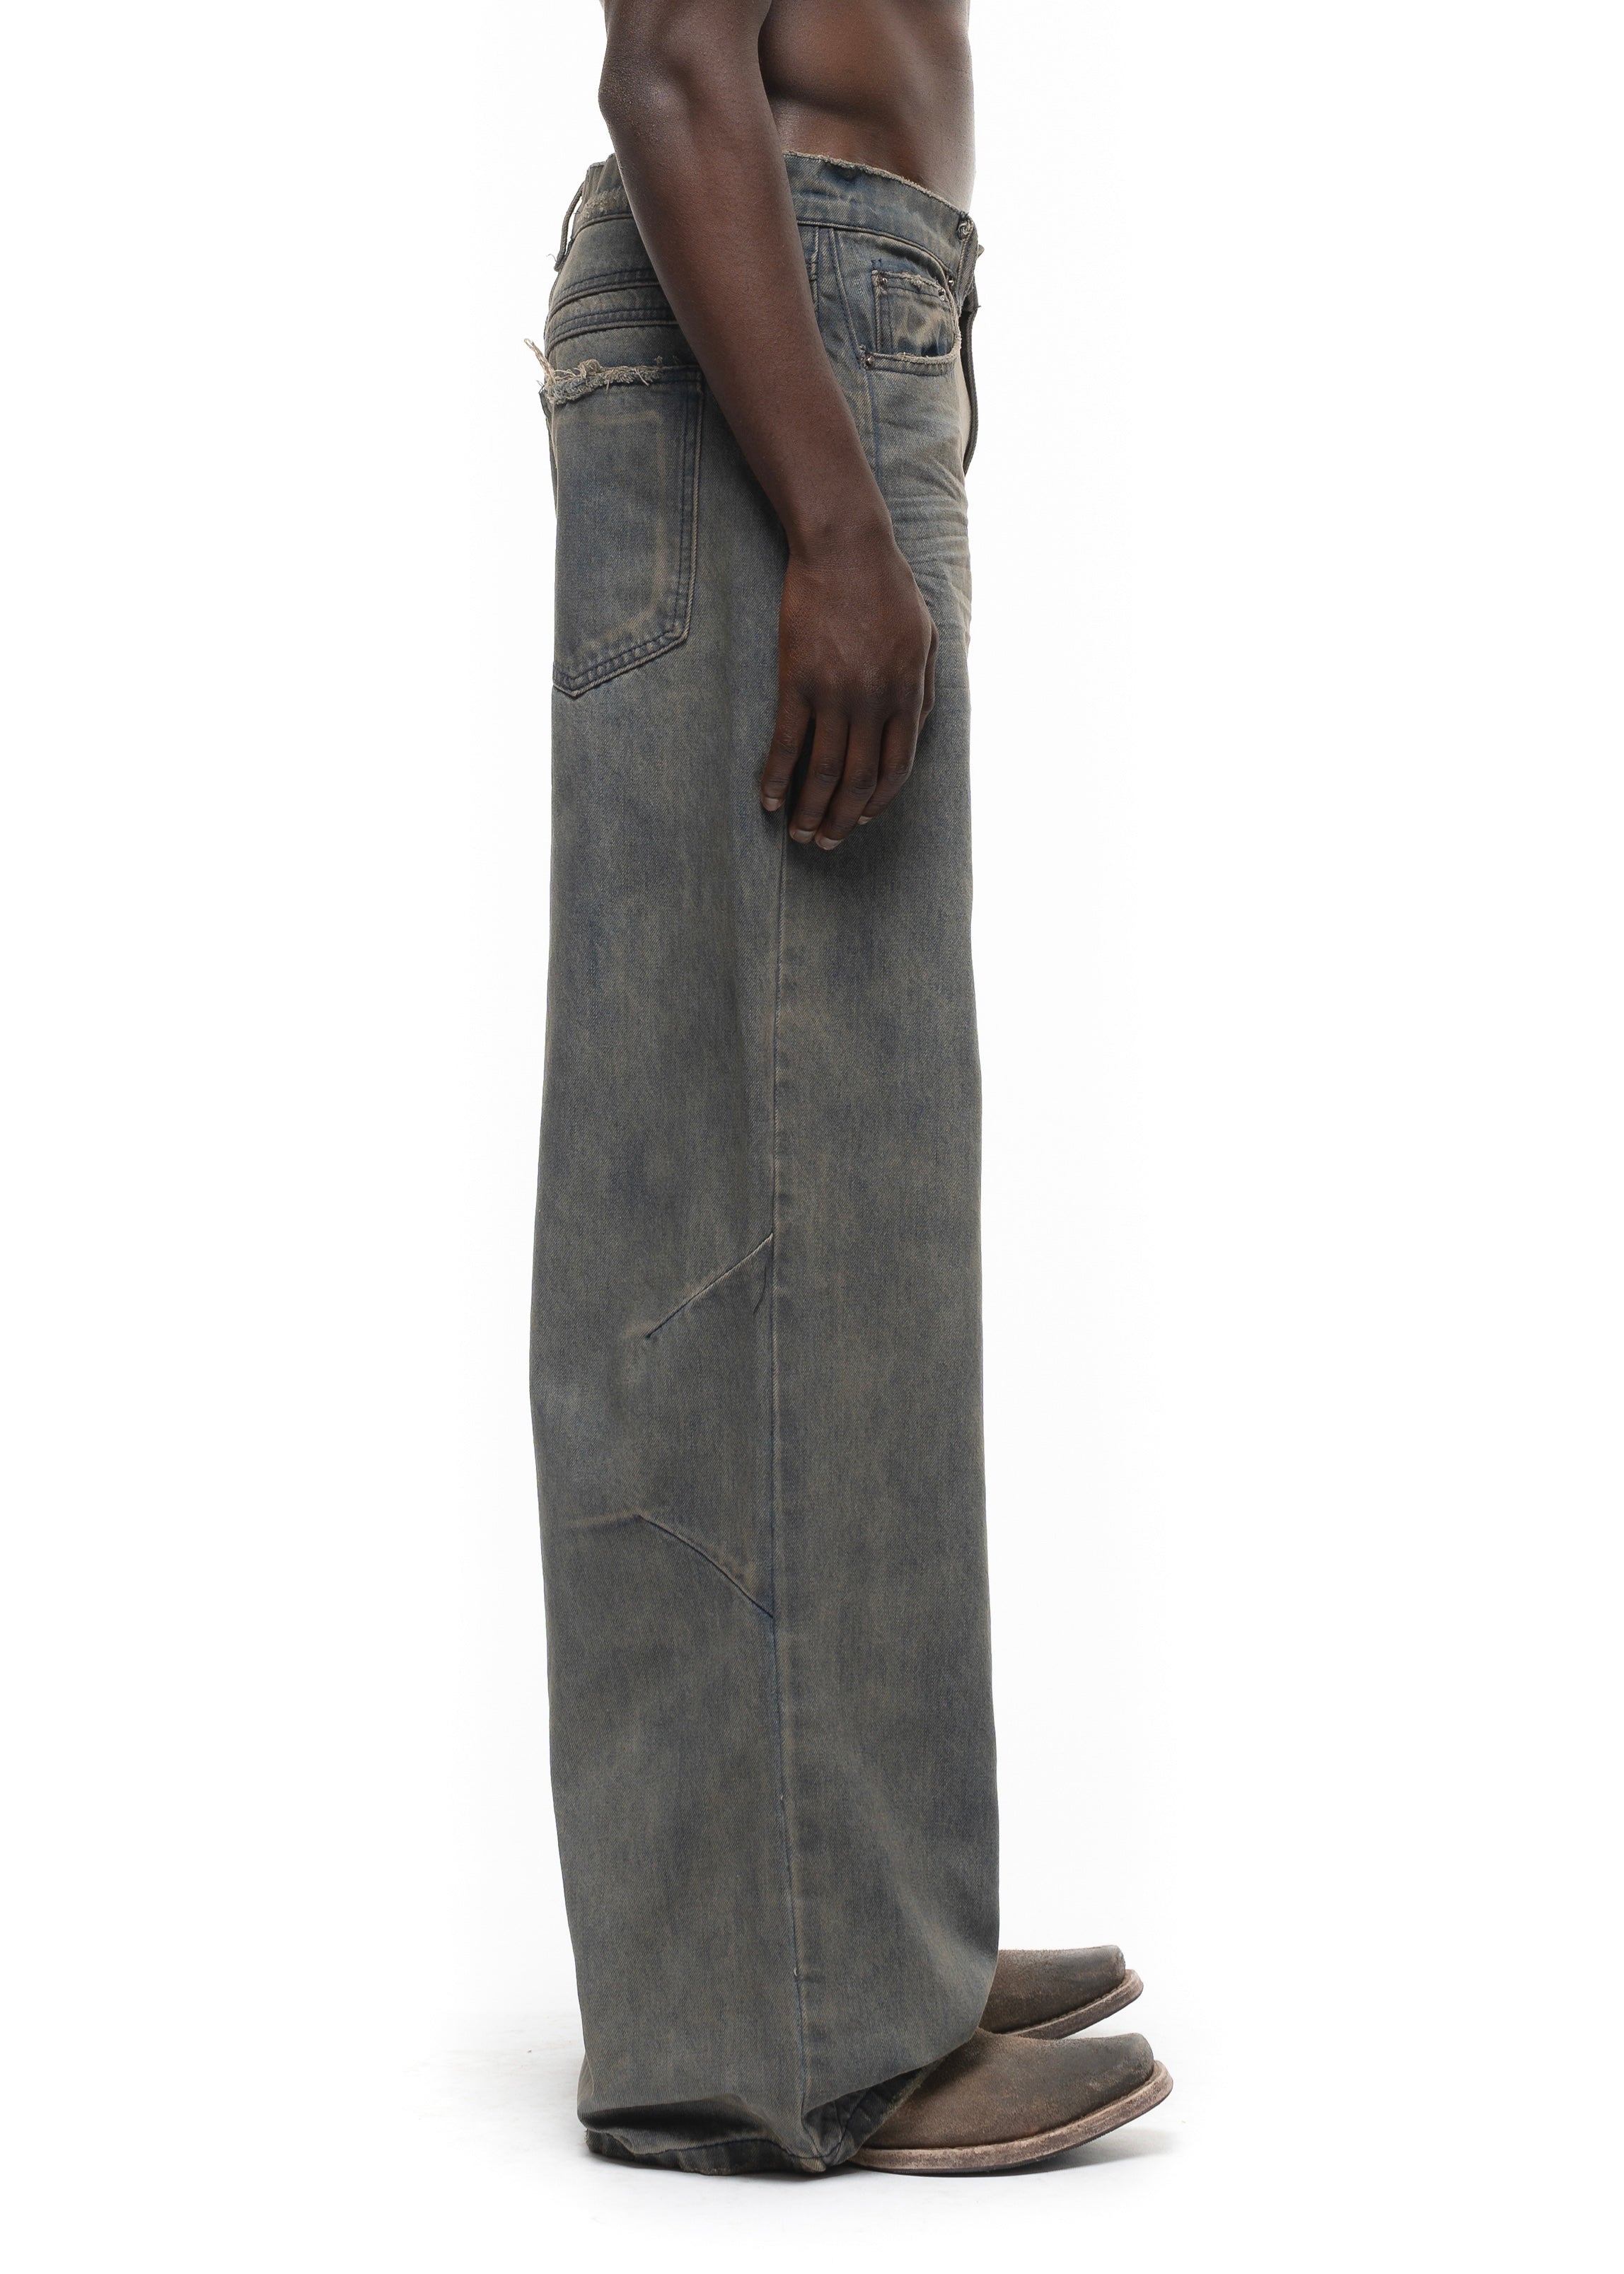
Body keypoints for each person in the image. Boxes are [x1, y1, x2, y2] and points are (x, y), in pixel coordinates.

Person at [528, 0, 1171, 2174]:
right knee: (751, 1203)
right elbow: (669, 64)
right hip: (769, 333)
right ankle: (782, 2024)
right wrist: (829, 514)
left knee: (858, 1218)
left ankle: (863, 1928)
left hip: (838, 318)